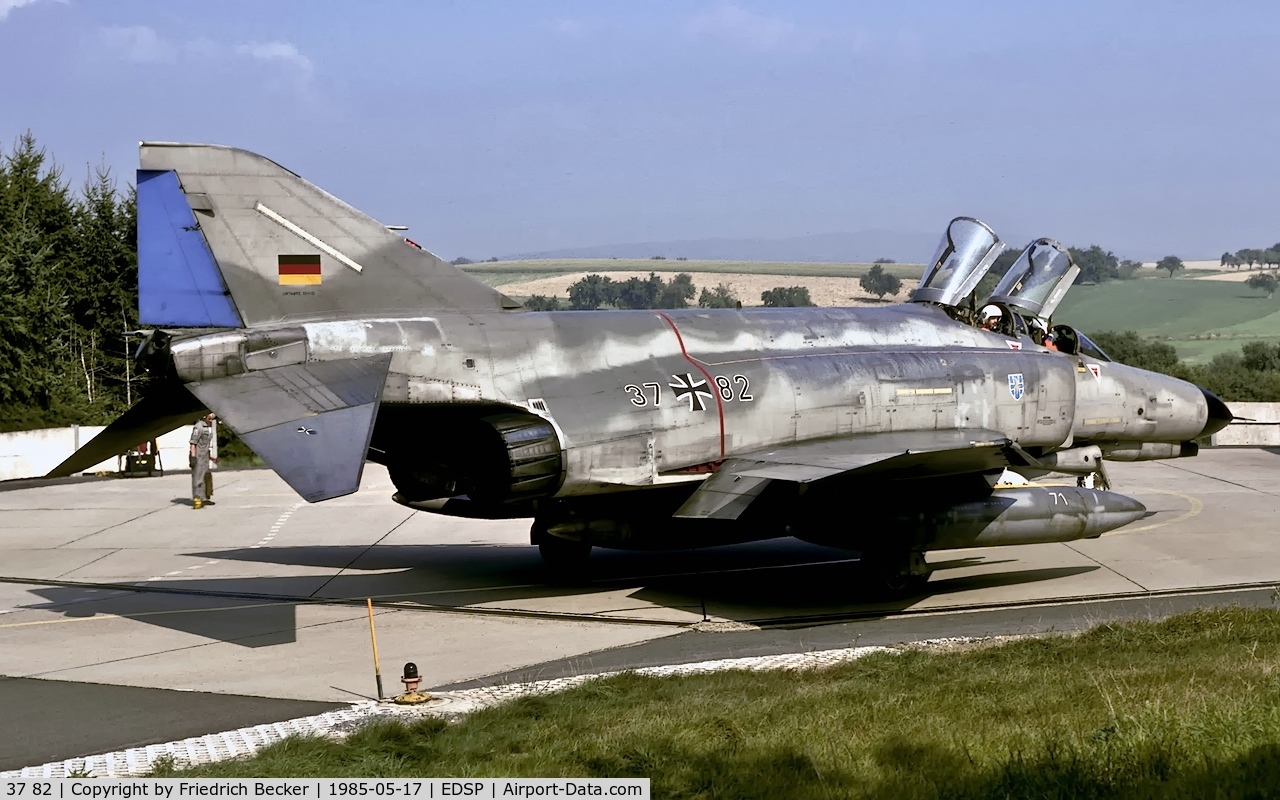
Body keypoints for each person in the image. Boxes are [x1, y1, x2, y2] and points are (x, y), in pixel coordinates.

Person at [189, 413, 217, 509]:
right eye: (210, 417)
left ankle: (204, 498)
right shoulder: (198, 427)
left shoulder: (209, 427)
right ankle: (197, 499)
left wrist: (211, 458)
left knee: (206, 477)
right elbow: (193, 443)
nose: (212, 419)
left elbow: (206, 445)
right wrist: (193, 457)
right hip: (198, 457)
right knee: (198, 478)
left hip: (205, 456)